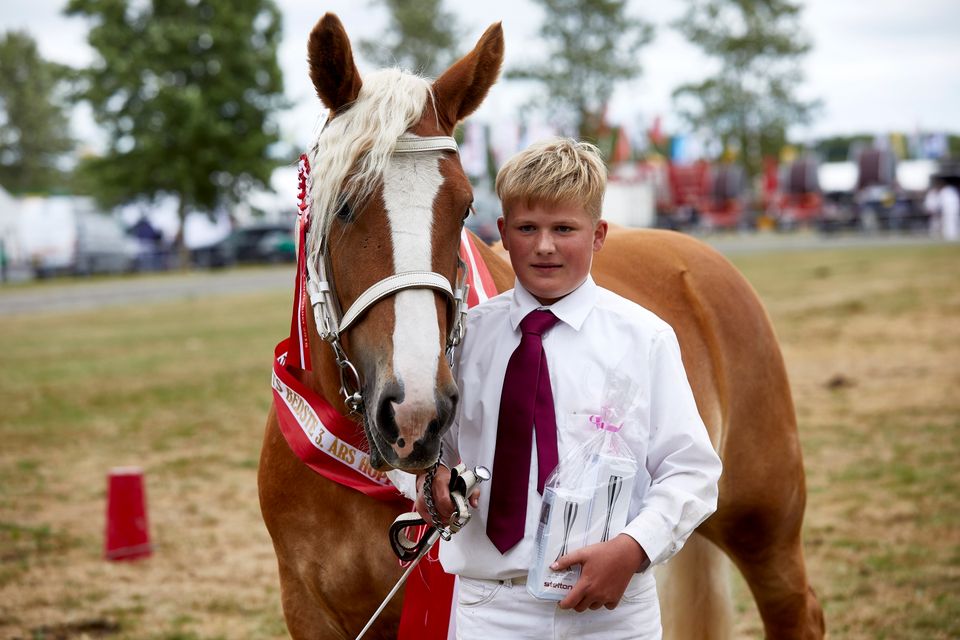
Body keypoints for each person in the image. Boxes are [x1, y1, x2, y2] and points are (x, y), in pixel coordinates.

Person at [415, 137, 722, 639]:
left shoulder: (644, 339)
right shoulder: (463, 340)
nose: (544, 246)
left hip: (612, 610)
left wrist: (634, 547)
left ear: (598, 234)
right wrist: (430, 485)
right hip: (491, 607)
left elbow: (691, 470)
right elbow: (427, 454)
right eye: (527, 228)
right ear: (503, 233)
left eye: (564, 229)